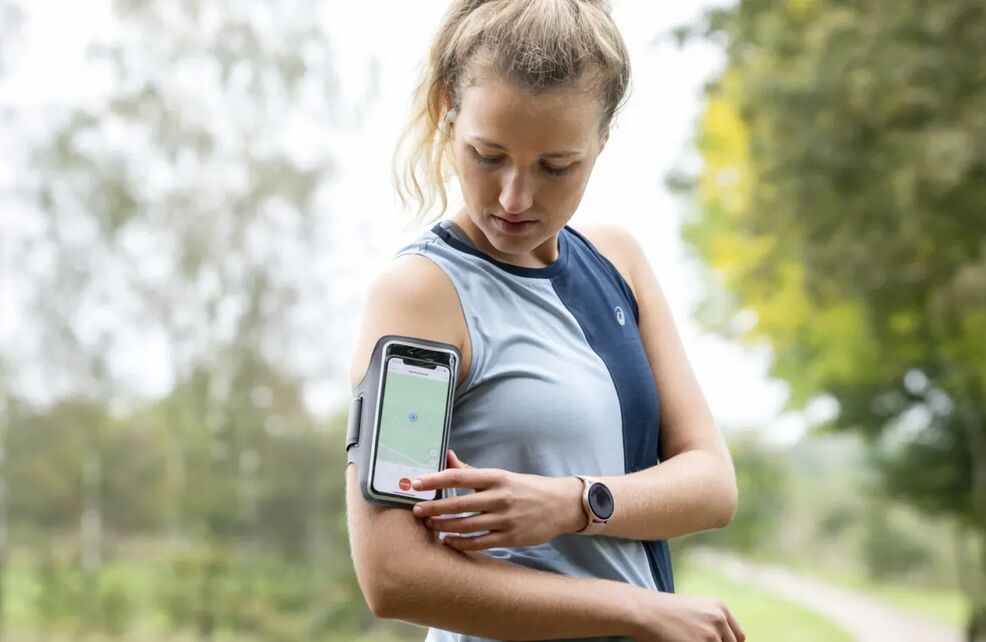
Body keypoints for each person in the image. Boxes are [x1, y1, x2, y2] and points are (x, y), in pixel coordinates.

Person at [346, 1, 745, 640]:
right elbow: (393, 576)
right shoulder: (420, 295)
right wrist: (637, 608)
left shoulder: (619, 260)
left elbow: (711, 485)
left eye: (556, 167)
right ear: (449, 111)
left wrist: (571, 502)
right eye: (487, 154)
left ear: (602, 141)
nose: (514, 197)